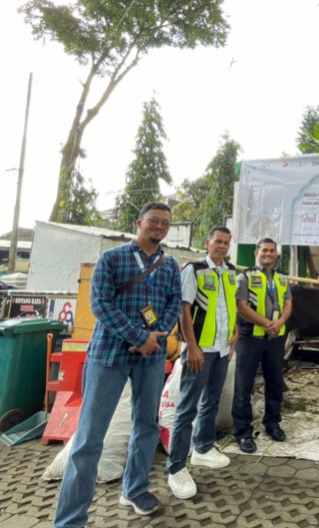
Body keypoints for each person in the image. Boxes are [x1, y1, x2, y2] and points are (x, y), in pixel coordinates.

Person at [54, 203, 182, 527]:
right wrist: (139, 336)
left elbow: (171, 306)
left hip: (151, 357)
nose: (159, 226)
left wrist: (156, 336)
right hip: (109, 354)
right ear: (139, 223)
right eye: (153, 221)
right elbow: (100, 304)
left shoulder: (170, 267)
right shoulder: (112, 258)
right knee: (89, 439)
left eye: (165, 223)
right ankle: (71, 519)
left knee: (146, 425)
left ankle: (135, 488)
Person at [166, 227, 239, 500]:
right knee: (186, 408)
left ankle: (203, 448)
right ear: (207, 243)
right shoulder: (194, 271)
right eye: (217, 242)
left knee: (212, 400)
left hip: (222, 349)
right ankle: (176, 467)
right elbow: (183, 309)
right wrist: (192, 346)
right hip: (200, 350)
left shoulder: (231, 272)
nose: (221, 246)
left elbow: (232, 307)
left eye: (226, 243)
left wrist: (236, 334)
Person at [232, 237, 292, 453]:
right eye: (264, 250)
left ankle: (273, 423)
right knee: (243, 386)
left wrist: (280, 323)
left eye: (272, 251)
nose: (268, 254)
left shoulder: (282, 279)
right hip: (250, 339)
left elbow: (288, 303)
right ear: (256, 253)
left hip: (276, 340)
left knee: (275, 382)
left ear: (276, 254)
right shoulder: (245, 277)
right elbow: (241, 306)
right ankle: (243, 432)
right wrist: (267, 323)